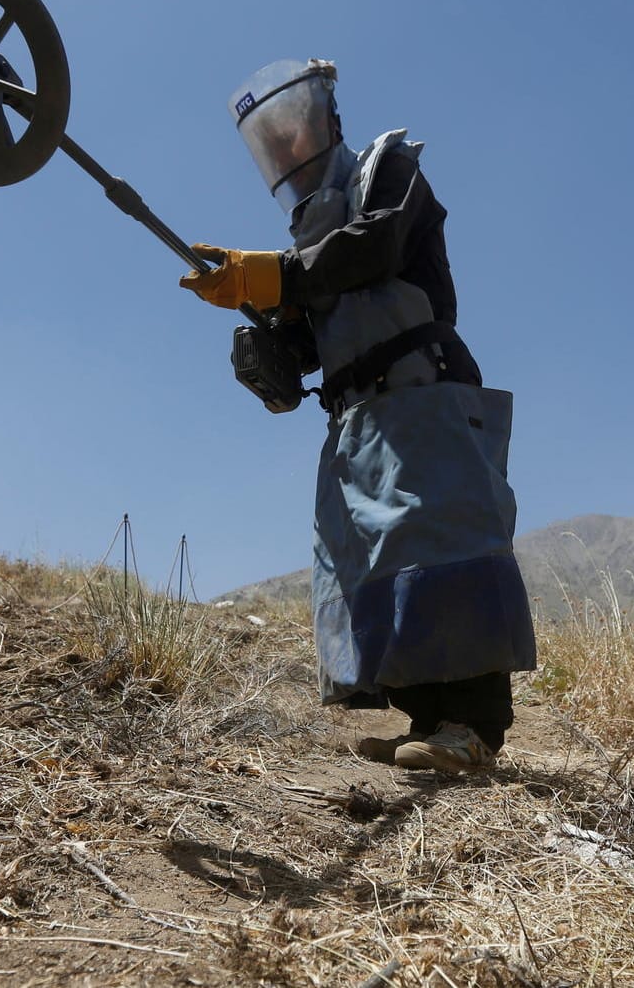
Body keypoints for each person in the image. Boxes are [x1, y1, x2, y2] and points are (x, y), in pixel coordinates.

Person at [179, 59, 535, 773]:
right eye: (270, 143)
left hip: (423, 392)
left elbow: (374, 247)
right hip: (359, 420)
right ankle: (431, 721)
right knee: (380, 556)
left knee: (444, 539)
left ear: (327, 120)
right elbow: (314, 342)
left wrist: (278, 275)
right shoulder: (310, 238)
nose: (286, 149)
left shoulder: (389, 170)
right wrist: (271, 343)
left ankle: (475, 729)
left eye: (293, 130)